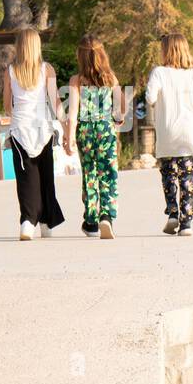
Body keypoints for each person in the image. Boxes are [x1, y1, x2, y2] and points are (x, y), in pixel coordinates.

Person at [146, 33, 193, 237]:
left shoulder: (158, 72)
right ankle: (186, 224)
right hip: (189, 131)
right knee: (187, 177)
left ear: (166, 50)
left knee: (169, 174)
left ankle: (172, 213)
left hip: (168, 132)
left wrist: (161, 102)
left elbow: (150, 97)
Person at [2, 27, 64, 240]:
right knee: (46, 176)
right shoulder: (47, 70)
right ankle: (47, 223)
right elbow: (55, 100)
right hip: (43, 128)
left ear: (19, 47)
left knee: (26, 178)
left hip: (20, 129)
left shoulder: (10, 71)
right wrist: (65, 123)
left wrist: (17, 112)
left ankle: (27, 222)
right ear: (37, 46)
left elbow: (7, 106)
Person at [63, 34, 126, 239]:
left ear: (80, 57)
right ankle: (106, 216)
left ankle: (91, 222)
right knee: (108, 173)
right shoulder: (110, 78)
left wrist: (69, 138)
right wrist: (119, 118)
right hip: (106, 130)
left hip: (85, 132)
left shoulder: (76, 81)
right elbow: (122, 105)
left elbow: (72, 114)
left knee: (90, 174)